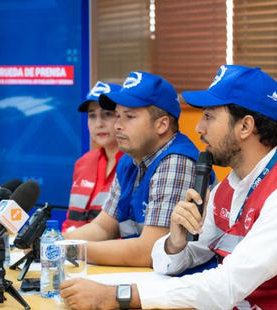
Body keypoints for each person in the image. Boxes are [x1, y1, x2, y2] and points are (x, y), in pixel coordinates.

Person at [60, 65, 277, 310]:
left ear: (246, 126)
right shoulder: (229, 187)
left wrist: (118, 295)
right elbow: (177, 259)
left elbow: (227, 285)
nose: (198, 128)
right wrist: (175, 243)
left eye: (210, 117)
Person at [64, 71, 200, 267]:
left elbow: (148, 252)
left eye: (129, 116)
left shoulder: (176, 160)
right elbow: (103, 227)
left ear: (161, 124)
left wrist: (67, 249)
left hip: (179, 287)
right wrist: (53, 241)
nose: (117, 125)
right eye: (117, 115)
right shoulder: (130, 160)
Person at [62, 81, 123, 232]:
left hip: (111, 253)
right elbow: (70, 222)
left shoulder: (135, 164)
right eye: (92, 116)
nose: (98, 124)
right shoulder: (83, 162)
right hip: (73, 251)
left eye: (107, 114)